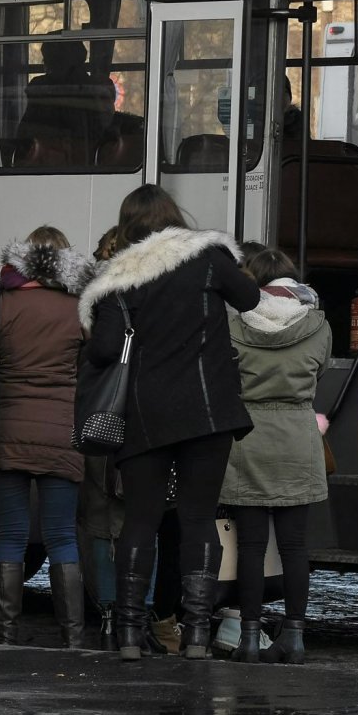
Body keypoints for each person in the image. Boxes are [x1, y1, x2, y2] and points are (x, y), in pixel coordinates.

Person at [79, 185, 261, 661]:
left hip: (143, 414)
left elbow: (101, 349)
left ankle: (130, 636)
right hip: (206, 412)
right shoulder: (205, 257)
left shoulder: (119, 278)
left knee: (140, 519)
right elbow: (250, 298)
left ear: (127, 226)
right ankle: (197, 634)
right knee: (199, 518)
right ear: (174, 217)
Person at [0, 226, 93, 647]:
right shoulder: (81, 308)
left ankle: (7, 633)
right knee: (63, 535)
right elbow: (97, 369)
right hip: (63, 434)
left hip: (5, 432)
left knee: (11, 534)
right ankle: (72, 636)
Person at [221, 248, 332, 664]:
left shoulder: (234, 321)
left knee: (250, 547)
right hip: (296, 439)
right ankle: (295, 637)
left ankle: (249, 637)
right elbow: (318, 372)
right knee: (294, 546)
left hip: (247, 436)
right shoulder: (317, 324)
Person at [15, 36, 116, 167]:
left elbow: (25, 135)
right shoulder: (99, 88)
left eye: (48, 60)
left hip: (51, 163)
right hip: (91, 164)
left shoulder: (41, 88)